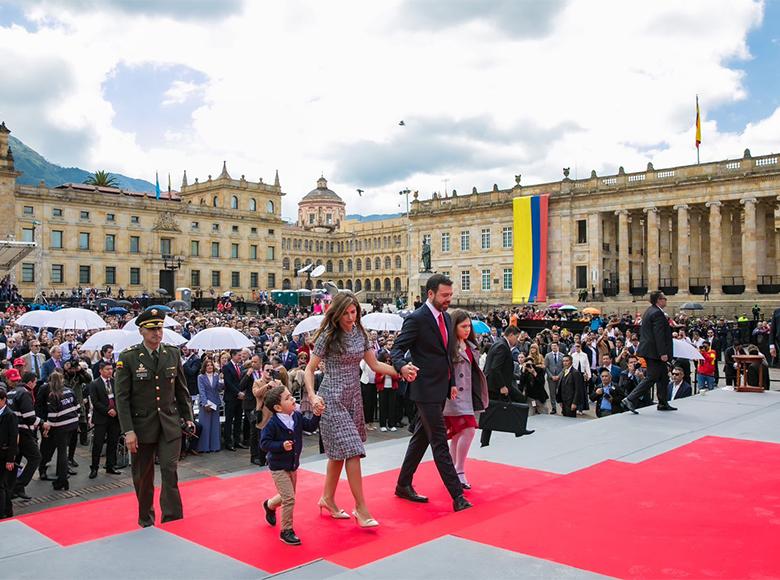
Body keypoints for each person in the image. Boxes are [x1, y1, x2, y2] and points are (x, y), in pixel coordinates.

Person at [306, 291, 403, 525]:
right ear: (336, 314)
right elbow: (310, 369)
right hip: (331, 398)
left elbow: (375, 364)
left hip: (353, 398)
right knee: (352, 450)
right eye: (346, 313)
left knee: (339, 454)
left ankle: (327, 498)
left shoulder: (361, 333)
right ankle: (361, 508)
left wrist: (400, 371)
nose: (351, 317)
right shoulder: (328, 336)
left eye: (354, 312)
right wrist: (312, 396)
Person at [389, 274, 471, 512]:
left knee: (421, 438)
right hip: (424, 389)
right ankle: (457, 496)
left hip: (441, 387)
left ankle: (403, 484)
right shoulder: (417, 319)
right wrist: (402, 366)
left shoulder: (446, 317)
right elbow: (397, 349)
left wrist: (452, 382)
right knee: (438, 441)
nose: (448, 300)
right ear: (431, 294)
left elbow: (448, 354)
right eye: (444, 295)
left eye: (450, 295)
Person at [114, 308, 194, 528]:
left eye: (159, 328)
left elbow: (181, 390)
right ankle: (146, 519)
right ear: (141, 331)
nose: (157, 333)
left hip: (169, 424)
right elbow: (122, 398)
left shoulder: (172, 353)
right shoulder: (129, 357)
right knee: (143, 476)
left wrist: (188, 417)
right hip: (141, 426)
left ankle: (172, 519)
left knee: (170, 470)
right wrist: (128, 430)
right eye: (151, 329)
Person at [260, 385, 322, 546]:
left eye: (291, 396)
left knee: (287, 496)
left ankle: (269, 505)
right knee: (289, 499)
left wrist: (317, 415)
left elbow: (310, 426)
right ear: (278, 407)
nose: (293, 399)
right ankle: (286, 530)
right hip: (278, 466)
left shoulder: (296, 416)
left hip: (293, 464)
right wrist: (281, 446)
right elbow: (264, 443)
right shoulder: (272, 424)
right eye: (288, 398)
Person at [443, 309, 488, 489]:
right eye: (463, 326)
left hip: (469, 394)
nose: (467, 329)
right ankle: (459, 470)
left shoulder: (471, 345)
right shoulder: (449, 346)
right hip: (454, 395)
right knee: (468, 430)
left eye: (469, 326)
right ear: (454, 327)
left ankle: (456, 471)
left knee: (460, 433)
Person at [622, 291, 676, 414]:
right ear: (658, 300)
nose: (666, 300)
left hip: (651, 350)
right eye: (664, 298)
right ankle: (630, 398)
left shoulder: (651, 311)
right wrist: (663, 352)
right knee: (652, 377)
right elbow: (659, 335)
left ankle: (662, 402)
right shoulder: (657, 313)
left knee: (663, 377)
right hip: (655, 352)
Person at [480, 326, 524, 447]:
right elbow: (495, 368)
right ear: (510, 335)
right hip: (497, 385)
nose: (517, 340)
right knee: (519, 400)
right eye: (516, 337)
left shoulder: (499, 343)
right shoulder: (502, 346)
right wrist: (502, 386)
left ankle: (518, 430)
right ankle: (519, 429)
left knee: (492, 411)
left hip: (495, 384)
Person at [6, 368, 41, 500]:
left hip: (14, 432)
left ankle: (11, 489)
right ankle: (18, 486)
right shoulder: (24, 393)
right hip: (24, 431)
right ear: (30, 382)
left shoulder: (10, 393)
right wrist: (42, 423)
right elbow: (30, 417)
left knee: (16, 460)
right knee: (36, 457)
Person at [41, 371, 80, 490]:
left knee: (62, 453)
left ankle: (62, 480)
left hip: (61, 427)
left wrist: (47, 429)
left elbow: (52, 415)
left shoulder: (53, 395)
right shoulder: (69, 391)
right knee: (64, 452)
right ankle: (62, 479)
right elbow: (77, 407)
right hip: (72, 424)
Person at [87, 361, 123, 478]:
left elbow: (119, 397)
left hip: (114, 418)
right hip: (101, 418)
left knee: (113, 442)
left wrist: (116, 409)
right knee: (98, 444)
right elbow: (95, 401)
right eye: (107, 369)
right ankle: (94, 467)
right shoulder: (95, 384)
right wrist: (108, 410)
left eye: (111, 369)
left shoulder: (115, 382)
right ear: (101, 370)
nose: (110, 371)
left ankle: (110, 466)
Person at [221, 349, 246, 451]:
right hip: (231, 398)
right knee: (229, 420)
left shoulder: (240, 367)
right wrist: (238, 392)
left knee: (238, 420)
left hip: (239, 398)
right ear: (233, 356)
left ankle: (237, 441)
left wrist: (242, 392)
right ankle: (228, 442)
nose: (240, 357)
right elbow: (228, 382)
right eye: (239, 355)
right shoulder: (227, 367)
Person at [0, 388, 19, 519]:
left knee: (1, 485)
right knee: (3, 485)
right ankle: (8, 509)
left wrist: (10, 459)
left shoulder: (10, 415)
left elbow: (13, 438)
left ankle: (2, 512)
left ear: (3, 400)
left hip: (5, 454)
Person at [196, 359, 222, 453]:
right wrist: (206, 403)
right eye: (207, 365)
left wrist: (221, 380)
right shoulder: (201, 377)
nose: (210, 367)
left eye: (211, 365)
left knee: (215, 426)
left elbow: (219, 389)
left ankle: (215, 447)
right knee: (205, 426)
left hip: (215, 403)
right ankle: (204, 447)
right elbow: (201, 391)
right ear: (204, 367)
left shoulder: (216, 376)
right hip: (205, 404)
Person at [543, 342, 563, 414]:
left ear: (558, 347)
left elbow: (564, 368)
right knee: (552, 393)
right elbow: (546, 367)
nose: (554, 347)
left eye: (555, 346)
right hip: (551, 377)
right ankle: (554, 408)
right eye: (552, 346)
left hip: (560, 377)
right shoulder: (547, 355)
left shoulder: (562, 356)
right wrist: (551, 376)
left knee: (561, 392)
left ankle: (563, 407)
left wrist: (559, 376)